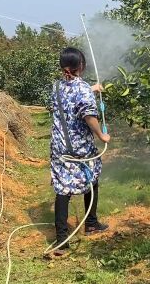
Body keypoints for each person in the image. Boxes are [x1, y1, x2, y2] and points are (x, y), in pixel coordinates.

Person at [49, 47, 111, 257]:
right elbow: (88, 115)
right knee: (91, 179)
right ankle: (91, 224)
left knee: (62, 189)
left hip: (59, 146)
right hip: (80, 148)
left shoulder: (57, 86)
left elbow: (70, 98)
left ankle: (61, 240)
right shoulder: (82, 88)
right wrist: (102, 136)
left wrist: (92, 88)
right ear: (81, 66)